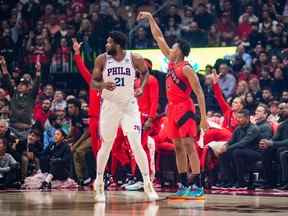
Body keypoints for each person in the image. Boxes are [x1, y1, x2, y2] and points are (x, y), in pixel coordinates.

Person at [137, 12, 208, 198]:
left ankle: (198, 186)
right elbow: (158, 36)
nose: (171, 47)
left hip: (185, 108)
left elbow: (199, 92)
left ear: (180, 50)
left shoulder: (186, 68)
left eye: (174, 46)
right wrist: (151, 18)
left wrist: (204, 119)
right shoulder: (170, 62)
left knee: (189, 146)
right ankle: (184, 184)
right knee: (177, 147)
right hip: (172, 109)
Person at [91, 31, 158, 202]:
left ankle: (147, 183)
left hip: (129, 106)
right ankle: (99, 183)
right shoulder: (102, 59)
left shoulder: (134, 57)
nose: (106, 45)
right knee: (106, 145)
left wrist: (141, 87)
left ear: (117, 45)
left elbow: (145, 73)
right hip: (109, 106)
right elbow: (93, 82)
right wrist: (103, 84)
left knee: (136, 144)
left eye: (109, 42)